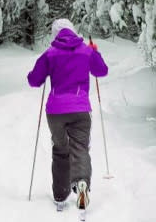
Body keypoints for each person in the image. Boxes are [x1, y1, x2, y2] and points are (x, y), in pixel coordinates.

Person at [27, 19, 108, 212]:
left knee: (61, 150)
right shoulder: (86, 50)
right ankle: (81, 184)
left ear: (56, 35)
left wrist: (44, 70)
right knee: (80, 148)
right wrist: (95, 52)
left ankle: (60, 195)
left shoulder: (50, 53)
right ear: (72, 31)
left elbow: (34, 80)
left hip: (55, 112)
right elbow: (101, 70)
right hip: (80, 110)